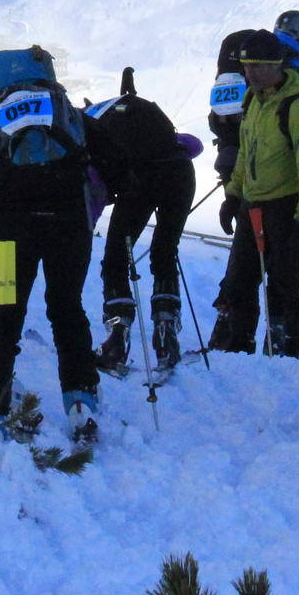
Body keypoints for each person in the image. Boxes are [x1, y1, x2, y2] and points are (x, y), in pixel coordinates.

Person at [0, 46, 129, 443]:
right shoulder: (68, 112)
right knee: (67, 309)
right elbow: (121, 169)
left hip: (9, 235)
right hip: (70, 228)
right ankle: (80, 399)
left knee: (4, 317)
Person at [216, 30, 299, 357]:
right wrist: (233, 195)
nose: (251, 72)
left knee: (287, 281)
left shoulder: (298, 104)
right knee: (241, 280)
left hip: (286, 207)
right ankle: (238, 347)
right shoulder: (252, 100)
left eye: (258, 65)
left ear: (277, 64)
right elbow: (246, 152)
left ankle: (289, 348)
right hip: (251, 204)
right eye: (246, 66)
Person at [89, 69, 201, 372]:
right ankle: (166, 329)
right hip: (180, 173)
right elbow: (191, 145)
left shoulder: (94, 125)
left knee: (115, 259)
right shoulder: (141, 114)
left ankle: (117, 335)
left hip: (140, 179)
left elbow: (94, 185)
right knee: (165, 251)